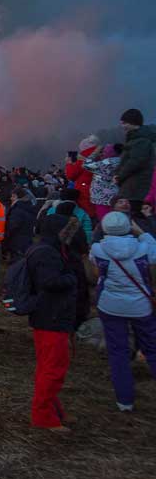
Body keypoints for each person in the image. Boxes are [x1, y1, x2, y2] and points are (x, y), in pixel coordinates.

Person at [89, 212, 156, 411]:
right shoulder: (143, 248)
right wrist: (140, 232)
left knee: (118, 351)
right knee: (152, 347)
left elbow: (96, 272)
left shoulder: (98, 249)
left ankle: (124, 400)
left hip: (110, 304)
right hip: (140, 304)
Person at [25, 214, 83, 430]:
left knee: (49, 366)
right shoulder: (46, 253)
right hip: (51, 316)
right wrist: (72, 278)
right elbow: (49, 281)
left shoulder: (51, 250)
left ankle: (52, 409)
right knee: (52, 368)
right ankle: (43, 416)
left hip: (52, 315)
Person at [117, 109, 156, 215]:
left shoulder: (141, 140)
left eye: (124, 123)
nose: (122, 126)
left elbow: (135, 162)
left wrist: (119, 176)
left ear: (133, 122)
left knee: (135, 215)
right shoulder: (135, 139)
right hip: (133, 186)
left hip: (136, 187)